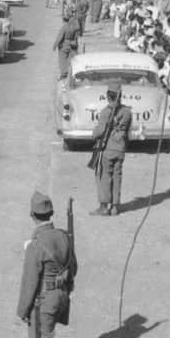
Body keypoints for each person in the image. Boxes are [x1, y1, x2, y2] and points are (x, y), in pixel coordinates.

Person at [16, 191, 77, 338]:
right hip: (61, 294)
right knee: (44, 335)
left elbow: (29, 282)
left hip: (44, 298)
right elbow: (73, 266)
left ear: (32, 215)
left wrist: (23, 309)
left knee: (42, 337)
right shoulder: (62, 235)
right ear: (51, 213)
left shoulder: (36, 246)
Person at [90, 81, 133, 216]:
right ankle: (115, 206)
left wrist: (93, 134)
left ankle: (103, 207)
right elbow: (129, 132)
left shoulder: (106, 112)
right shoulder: (127, 111)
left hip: (107, 149)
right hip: (120, 149)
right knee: (117, 176)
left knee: (104, 176)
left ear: (108, 96)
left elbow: (100, 132)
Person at [52, 13, 80, 78]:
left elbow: (60, 37)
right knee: (72, 59)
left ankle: (64, 73)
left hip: (64, 45)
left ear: (64, 20)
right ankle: (72, 72)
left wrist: (55, 45)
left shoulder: (64, 27)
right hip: (72, 44)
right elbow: (77, 36)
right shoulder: (75, 27)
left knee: (62, 59)